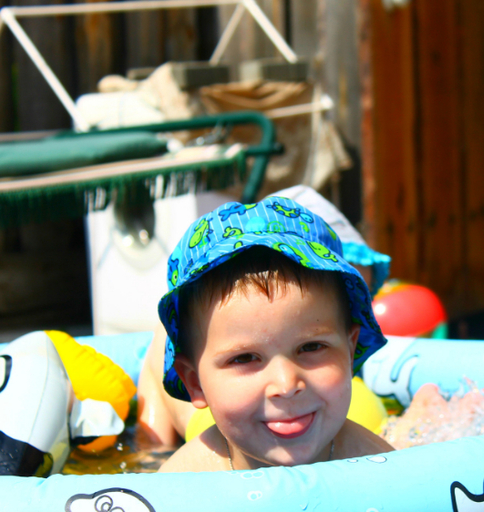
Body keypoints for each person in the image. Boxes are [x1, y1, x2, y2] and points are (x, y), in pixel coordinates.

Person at [137, 186, 392, 446]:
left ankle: (152, 444)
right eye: (244, 358)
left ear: (351, 351)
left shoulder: (371, 452)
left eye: (311, 347)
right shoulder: (195, 464)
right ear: (195, 383)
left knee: (160, 344)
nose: (286, 385)